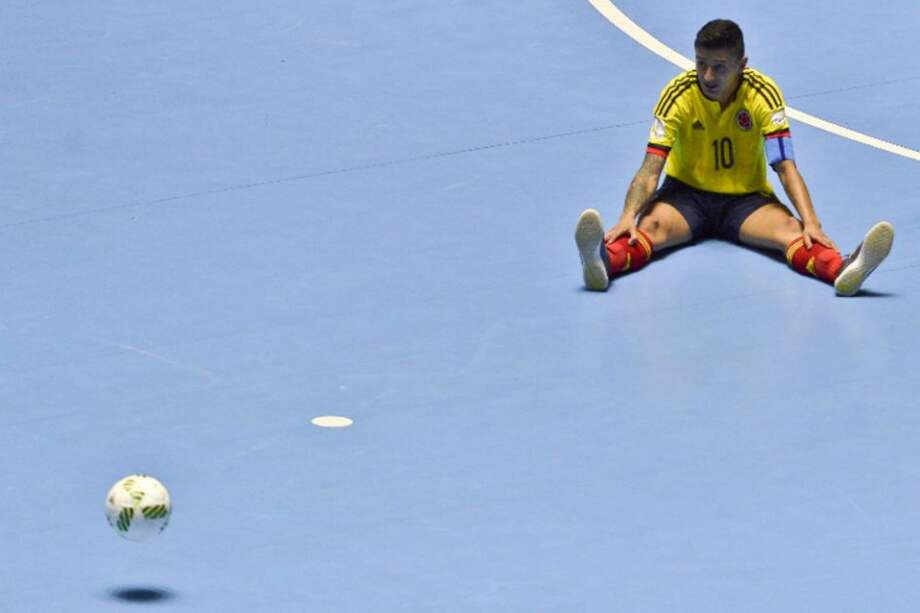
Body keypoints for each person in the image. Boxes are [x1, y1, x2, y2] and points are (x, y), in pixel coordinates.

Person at [575, 19, 893, 296]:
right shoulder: (678, 95)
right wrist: (628, 215)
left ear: (742, 63)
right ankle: (601, 263)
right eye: (701, 64)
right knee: (649, 228)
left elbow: (785, 167)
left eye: (719, 66)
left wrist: (810, 220)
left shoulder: (763, 94)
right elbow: (650, 169)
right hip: (685, 197)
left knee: (793, 232)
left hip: (745, 201)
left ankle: (844, 269)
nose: (708, 76)